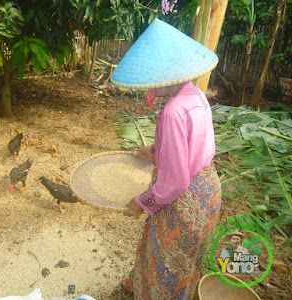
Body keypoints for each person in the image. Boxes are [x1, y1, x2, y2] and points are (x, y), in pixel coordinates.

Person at [111, 19, 222, 299]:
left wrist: (142, 202)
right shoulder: (196, 94)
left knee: (168, 259)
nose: (148, 81)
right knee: (181, 256)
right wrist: (152, 150)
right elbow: (190, 146)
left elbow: (174, 181)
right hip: (208, 191)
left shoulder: (172, 111)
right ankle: (141, 282)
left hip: (184, 200)